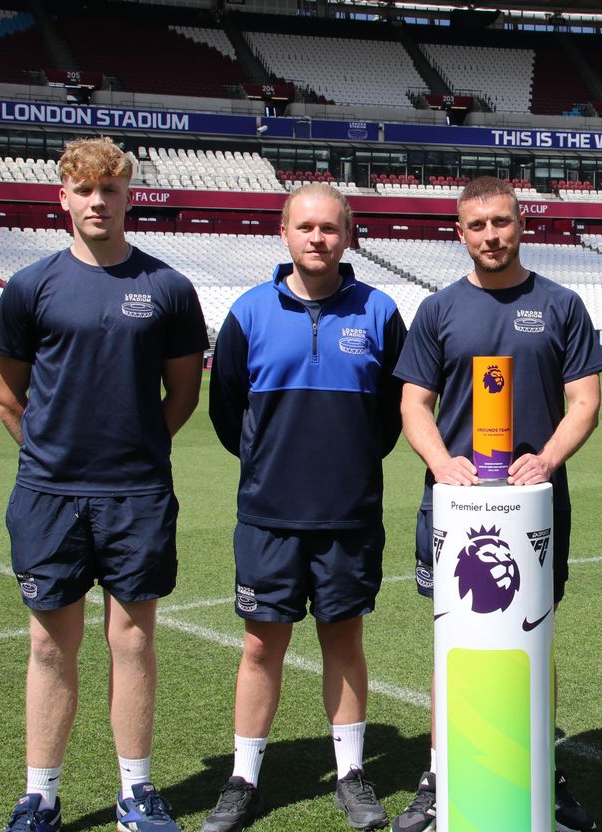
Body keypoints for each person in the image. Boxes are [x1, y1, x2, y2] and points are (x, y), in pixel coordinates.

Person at [0, 136, 207, 832]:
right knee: (49, 644)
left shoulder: (168, 288)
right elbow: (6, 396)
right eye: (83, 190)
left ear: (127, 196)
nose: (97, 201)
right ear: (64, 198)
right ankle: (41, 796)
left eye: (109, 189)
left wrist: (135, 453)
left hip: (136, 496)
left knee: (133, 642)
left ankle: (135, 793)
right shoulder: (30, 286)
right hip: (48, 496)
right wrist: (53, 459)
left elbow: (183, 393)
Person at [391, 176, 602, 832]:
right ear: (461, 233)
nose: (491, 236)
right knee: (451, 637)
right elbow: (413, 405)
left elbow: (586, 402)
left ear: (522, 224)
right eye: (478, 225)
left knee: (536, 634)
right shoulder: (439, 310)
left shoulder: (562, 304)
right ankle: (441, 772)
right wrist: (441, 462)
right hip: (456, 507)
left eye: (502, 222)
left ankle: (543, 766)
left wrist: (547, 459)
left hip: (533, 506)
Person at [202, 184, 405, 832]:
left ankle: (351, 773)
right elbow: (226, 413)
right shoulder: (248, 312)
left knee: (344, 639)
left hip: (349, 514)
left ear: (348, 234)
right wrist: (273, 465)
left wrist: (347, 465)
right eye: (306, 226)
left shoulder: (380, 312)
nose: (318, 238)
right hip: (269, 514)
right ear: (284, 232)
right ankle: (243, 779)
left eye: (330, 227)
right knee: (261, 645)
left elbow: (391, 418)